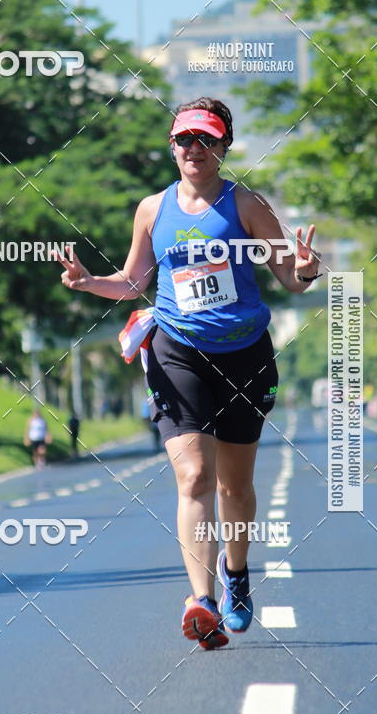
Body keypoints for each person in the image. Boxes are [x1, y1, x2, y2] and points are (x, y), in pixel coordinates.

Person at [57, 97, 320, 650]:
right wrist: (88, 282)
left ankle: (236, 575)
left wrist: (305, 270)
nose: (194, 149)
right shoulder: (152, 210)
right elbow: (134, 282)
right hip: (178, 352)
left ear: (223, 148)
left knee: (235, 485)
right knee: (194, 476)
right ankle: (202, 601)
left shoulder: (246, 205)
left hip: (245, 355)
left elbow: (289, 278)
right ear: (172, 147)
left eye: (206, 140)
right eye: (184, 139)